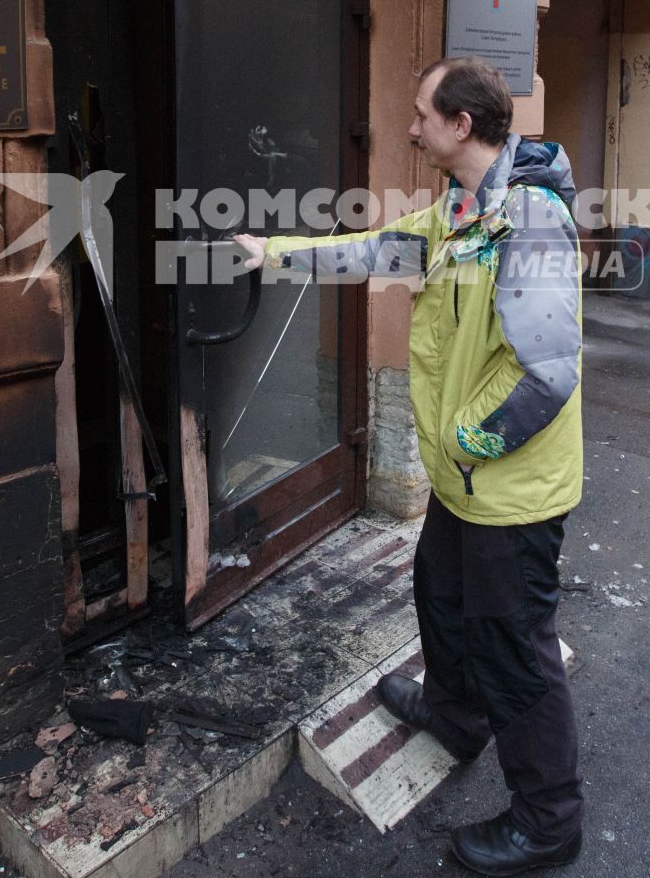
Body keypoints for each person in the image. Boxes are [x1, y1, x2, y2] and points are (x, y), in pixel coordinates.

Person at [233, 56, 584, 875]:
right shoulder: (461, 210)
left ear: (463, 126)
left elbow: (548, 375)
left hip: (510, 494)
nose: (412, 125)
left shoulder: (526, 221)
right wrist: (274, 253)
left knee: (514, 650)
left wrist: (465, 444)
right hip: (467, 492)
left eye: (423, 113)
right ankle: (458, 719)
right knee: (442, 594)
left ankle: (550, 821)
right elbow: (379, 251)